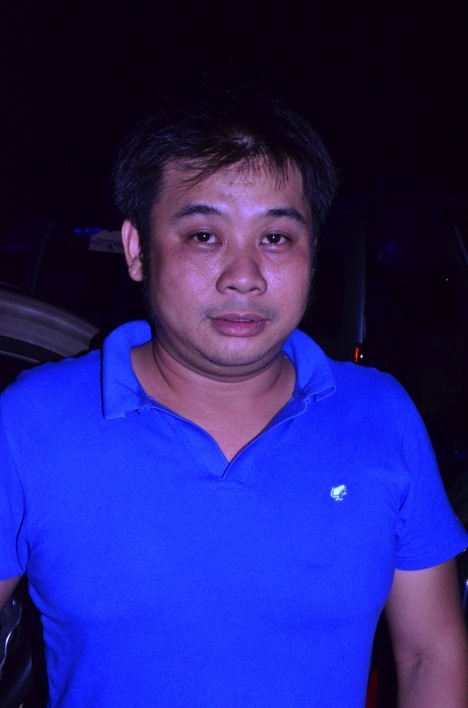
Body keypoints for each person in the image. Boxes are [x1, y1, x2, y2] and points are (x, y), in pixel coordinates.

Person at [1, 93, 467, 707]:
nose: (243, 276)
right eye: (203, 235)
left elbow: (431, 653)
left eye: (275, 237)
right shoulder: (31, 422)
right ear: (137, 250)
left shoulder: (381, 416)